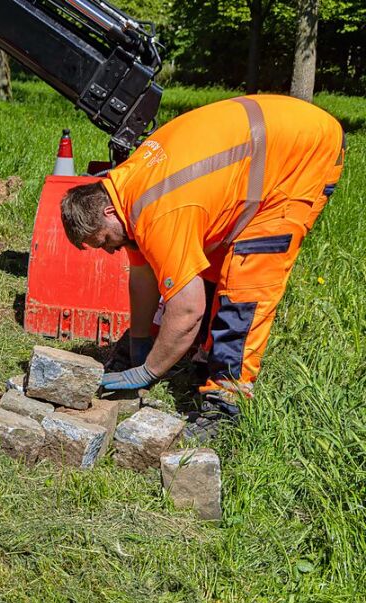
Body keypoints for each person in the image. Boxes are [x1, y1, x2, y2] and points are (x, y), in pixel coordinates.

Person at [60, 94, 344, 438]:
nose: (108, 251)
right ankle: (199, 356)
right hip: (261, 145)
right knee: (201, 265)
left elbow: (189, 308)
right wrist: (139, 342)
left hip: (299, 155)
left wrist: (148, 371)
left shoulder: (158, 212)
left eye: (104, 241)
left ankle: (226, 403)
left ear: (106, 212)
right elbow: (144, 277)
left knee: (245, 281)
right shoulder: (125, 191)